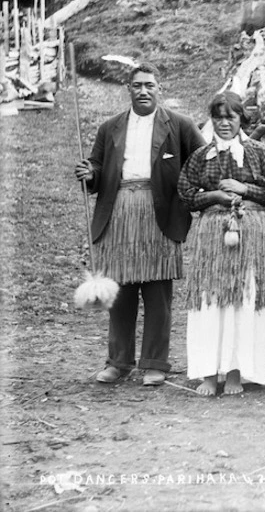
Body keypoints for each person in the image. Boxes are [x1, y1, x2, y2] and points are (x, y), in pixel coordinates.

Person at [74, 62, 206, 386]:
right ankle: (118, 362)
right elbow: (96, 164)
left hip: (160, 211)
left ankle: (155, 363)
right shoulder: (111, 127)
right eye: (137, 85)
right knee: (121, 291)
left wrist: (191, 191)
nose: (143, 90)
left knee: (158, 292)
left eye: (149, 85)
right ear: (128, 89)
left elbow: (204, 159)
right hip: (119, 210)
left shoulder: (179, 124)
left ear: (160, 88)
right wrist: (89, 173)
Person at [177, 92, 265, 396]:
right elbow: (185, 194)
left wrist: (244, 188)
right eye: (218, 118)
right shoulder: (201, 156)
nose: (224, 124)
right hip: (213, 235)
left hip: (251, 234)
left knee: (243, 299)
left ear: (241, 120)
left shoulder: (260, 153)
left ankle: (237, 372)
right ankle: (209, 374)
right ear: (211, 120)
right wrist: (213, 196)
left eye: (230, 117)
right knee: (211, 302)